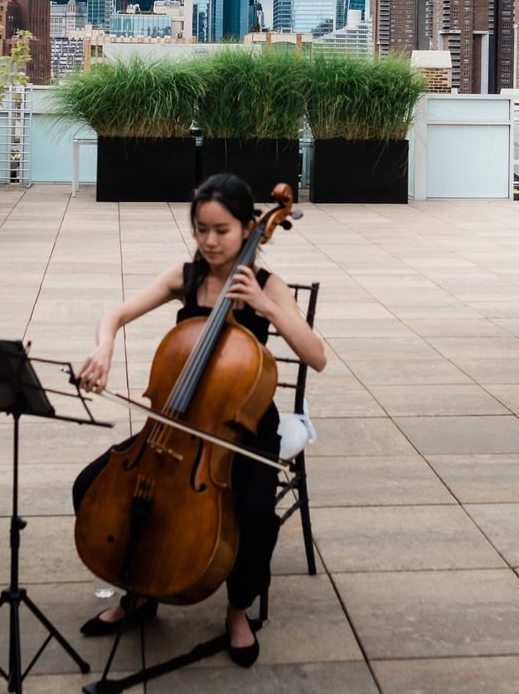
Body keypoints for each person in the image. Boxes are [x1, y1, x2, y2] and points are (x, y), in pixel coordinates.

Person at [73, 173, 326, 667]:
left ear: (248, 228)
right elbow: (115, 314)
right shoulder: (184, 278)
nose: (210, 242)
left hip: (244, 426)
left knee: (254, 517)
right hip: (175, 422)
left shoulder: (268, 285)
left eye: (222, 230)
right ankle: (140, 593)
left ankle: (236, 611)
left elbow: (316, 356)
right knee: (92, 487)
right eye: (201, 230)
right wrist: (104, 345)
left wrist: (267, 308)